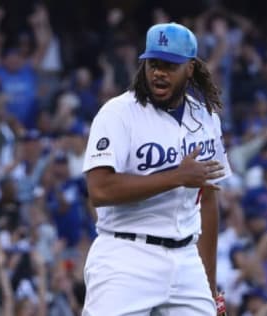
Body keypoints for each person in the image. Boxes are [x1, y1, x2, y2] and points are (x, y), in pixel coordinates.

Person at [81, 22, 232, 315]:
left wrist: (209, 287)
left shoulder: (206, 118)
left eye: (169, 65)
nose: (159, 73)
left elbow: (208, 200)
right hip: (125, 256)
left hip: (186, 259)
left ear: (190, 68)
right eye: (153, 64)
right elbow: (99, 190)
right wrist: (177, 177)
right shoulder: (118, 113)